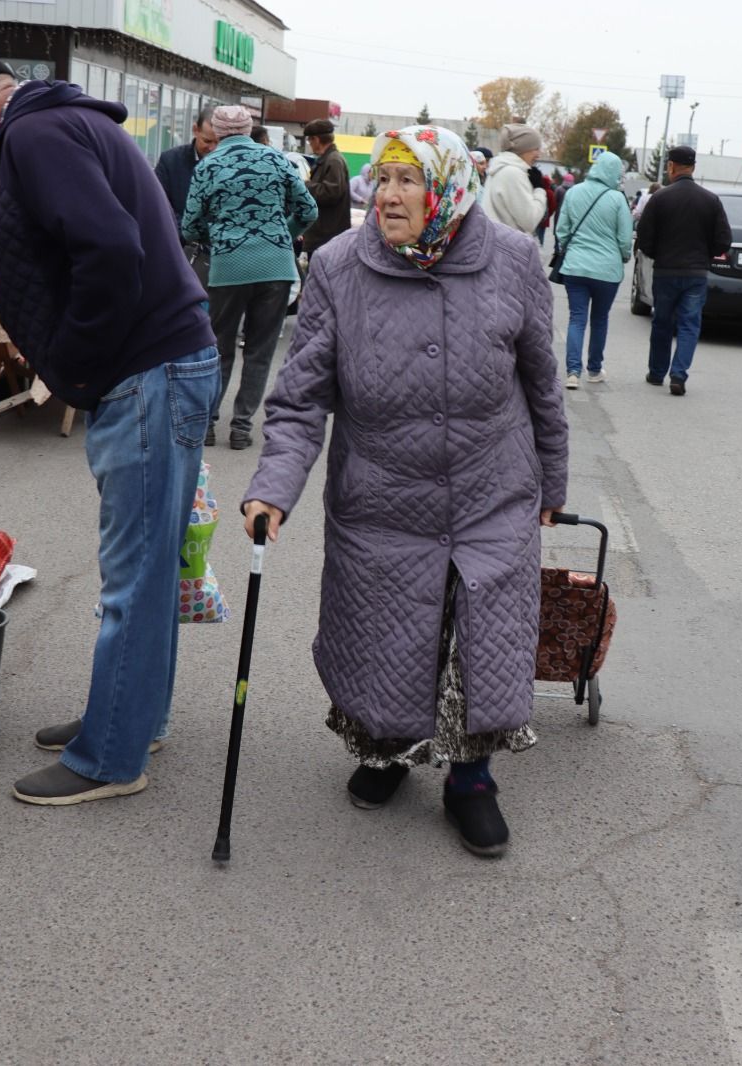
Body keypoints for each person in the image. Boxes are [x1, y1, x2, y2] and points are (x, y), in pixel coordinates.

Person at [240, 126, 568, 857]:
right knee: (385, 637)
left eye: (406, 180)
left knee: (476, 643)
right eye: (381, 179)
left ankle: (471, 779)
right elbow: (300, 400)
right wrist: (273, 489)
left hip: (493, 495)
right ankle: (386, 750)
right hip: (383, 500)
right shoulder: (337, 268)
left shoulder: (513, 262)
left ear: (446, 186)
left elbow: (543, 383)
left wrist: (554, 478)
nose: (386, 195)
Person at [0, 38, 219, 805]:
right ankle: (129, 719)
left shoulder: (40, 134)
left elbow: (111, 249)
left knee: (135, 581)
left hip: (146, 373)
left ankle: (110, 758)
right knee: (145, 576)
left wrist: (75, 366)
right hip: (159, 368)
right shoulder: (47, 130)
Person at [182, 104, 317, 451]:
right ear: (248, 128)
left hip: (227, 268)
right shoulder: (277, 161)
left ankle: (208, 424)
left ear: (218, 130)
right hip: (276, 266)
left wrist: (218, 237)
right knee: (260, 350)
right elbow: (308, 210)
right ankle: (241, 428)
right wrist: (282, 235)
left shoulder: (209, 165)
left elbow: (189, 225)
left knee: (220, 348)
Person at [635, 145, 731, 395]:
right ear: (694, 167)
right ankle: (678, 375)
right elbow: (724, 241)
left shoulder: (660, 198)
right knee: (689, 325)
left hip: (666, 271)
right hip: (696, 273)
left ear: (671, 166)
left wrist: (660, 254)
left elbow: (644, 238)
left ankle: (656, 373)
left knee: (662, 323)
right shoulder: (711, 200)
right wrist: (704, 255)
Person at [555, 149, 632, 388]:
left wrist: (569, 246)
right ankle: (595, 369)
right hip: (607, 271)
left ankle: (572, 373)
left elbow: (562, 229)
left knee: (577, 318)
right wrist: (624, 255)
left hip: (575, 267)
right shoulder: (618, 198)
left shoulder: (574, 192)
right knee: (599, 319)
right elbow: (624, 238)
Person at [154, 104, 220, 289]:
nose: (213, 148)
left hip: (216, 255)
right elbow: (160, 203)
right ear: (195, 130)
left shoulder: (229, 165)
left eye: (218, 142)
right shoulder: (171, 160)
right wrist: (185, 233)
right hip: (177, 249)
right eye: (207, 141)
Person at [481, 123, 547, 236]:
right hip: (507, 246)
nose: (538, 154)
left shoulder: (499, 168)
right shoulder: (513, 173)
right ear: (523, 149)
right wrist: (539, 189)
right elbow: (530, 221)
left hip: (497, 242)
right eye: (536, 149)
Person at [301, 118, 350, 259]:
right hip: (324, 235)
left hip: (326, 235)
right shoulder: (328, 159)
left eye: (310, 140)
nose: (310, 144)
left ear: (316, 139)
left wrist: (305, 185)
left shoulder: (333, 160)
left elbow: (331, 193)